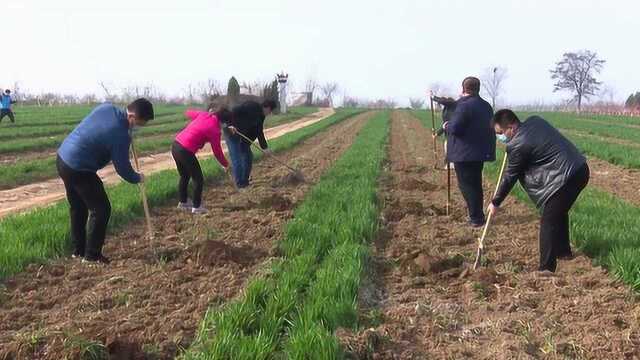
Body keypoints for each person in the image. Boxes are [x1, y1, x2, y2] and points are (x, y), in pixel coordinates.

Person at [488, 109, 589, 272]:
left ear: (512, 127)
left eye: (500, 133)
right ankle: (563, 252)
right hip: (580, 169)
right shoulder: (535, 121)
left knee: (548, 220)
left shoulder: (518, 144)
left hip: (566, 177)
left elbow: (510, 176)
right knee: (558, 211)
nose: (500, 137)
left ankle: (546, 269)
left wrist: (495, 202)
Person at [56, 99, 154, 264]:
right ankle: (92, 256)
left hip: (63, 159)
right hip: (79, 168)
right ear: (132, 116)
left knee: (78, 207)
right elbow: (122, 168)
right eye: (138, 124)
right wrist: (137, 177)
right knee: (101, 209)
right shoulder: (121, 135)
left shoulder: (107, 108)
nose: (137, 127)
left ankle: (78, 251)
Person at [441, 77, 495, 227]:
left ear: (464, 89)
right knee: (475, 184)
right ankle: (478, 215)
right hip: (480, 153)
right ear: (478, 88)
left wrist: (447, 125)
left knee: (467, 186)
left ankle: (476, 218)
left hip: (464, 154)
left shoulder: (464, 106)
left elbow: (456, 128)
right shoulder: (486, 106)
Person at [172, 104, 231, 214]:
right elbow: (217, 152)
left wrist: (206, 114)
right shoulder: (215, 130)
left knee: (185, 175)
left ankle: (183, 202)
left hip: (176, 145)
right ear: (223, 122)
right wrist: (226, 164)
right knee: (198, 179)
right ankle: (197, 207)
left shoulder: (204, 115)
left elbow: (189, 112)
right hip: (186, 150)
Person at [223, 99, 277, 188]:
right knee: (237, 160)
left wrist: (265, 148)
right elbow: (234, 110)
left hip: (243, 138)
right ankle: (240, 185)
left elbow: (259, 132)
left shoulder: (261, 116)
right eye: (270, 111)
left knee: (248, 157)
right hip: (231, 133)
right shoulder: (252, 106)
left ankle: (245, 181)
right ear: (267, 108)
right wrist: (229, 124)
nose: (270, 113)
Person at [431, 93, 457, 169]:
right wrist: (437, 134)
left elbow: (443, 101)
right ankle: (450, 164)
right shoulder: (447, 109)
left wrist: (433, 97)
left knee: (449, 147)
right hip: (449, 132)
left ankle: (452, 165)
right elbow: (445, 124)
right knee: (447, 147)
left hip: (454, 132)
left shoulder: (452, 104)